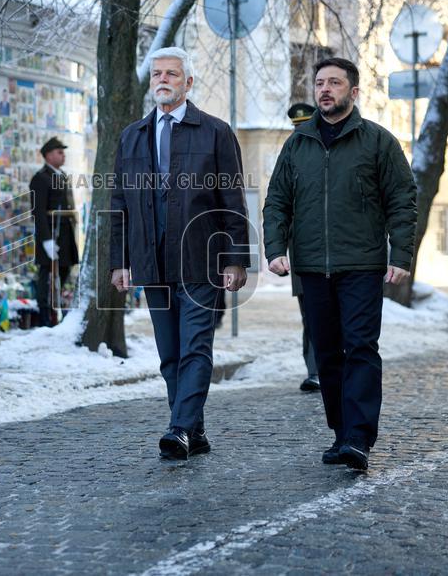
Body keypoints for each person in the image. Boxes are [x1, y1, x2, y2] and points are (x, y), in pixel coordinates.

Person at [263, 57, 417, 471]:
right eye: (319, 83)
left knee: (361, 348)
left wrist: (401, 254)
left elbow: (402, 200)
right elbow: (277, 200)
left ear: (354, 91)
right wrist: (275, 248)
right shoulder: (297, 144)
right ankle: (341, 433)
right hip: (313, 266)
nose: (325, 89)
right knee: (327, 353)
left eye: (334, 82)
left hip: (362, 265)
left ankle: (359, 438)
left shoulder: (378, 141)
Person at [110, 47, 251, 460]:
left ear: (188, 82)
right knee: (169, 354)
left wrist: (236, 258)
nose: (162, 80)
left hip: (200, 259)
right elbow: (119, 203)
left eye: (171, 74)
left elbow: (232, 199)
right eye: (157, 74)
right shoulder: (132, 135)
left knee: (195, 348)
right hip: (152, 260)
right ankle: (194, 430)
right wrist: (119, 261)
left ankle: (178, 429)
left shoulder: (215, 132)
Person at [286, 102, 321, 393]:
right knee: (311, 316)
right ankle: (315, 371)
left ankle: (334, 367)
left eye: (305, 126)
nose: (300, 132)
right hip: (302, 255)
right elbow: (279, 205)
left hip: (338, 253)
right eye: (296, 128)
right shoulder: (290, 156)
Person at [30, 137, 79, 327]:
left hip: (65, 231)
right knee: (46, 273)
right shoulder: (40, 178)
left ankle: (56, 307)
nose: (63, 155)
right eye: (59, 152)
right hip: (50, 232)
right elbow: (38, 211)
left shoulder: (62, 175)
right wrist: (46, 240)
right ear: (48, 155)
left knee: (65, 268)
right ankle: (44, 315)